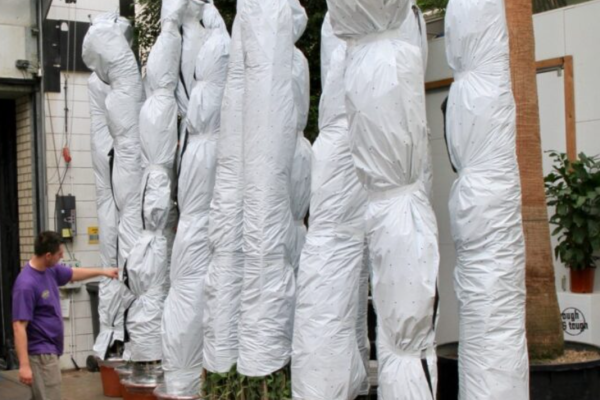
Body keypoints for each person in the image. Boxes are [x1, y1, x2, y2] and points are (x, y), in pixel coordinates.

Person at [12, 231, 119, 400]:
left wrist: (103, 272)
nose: (62, 256)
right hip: (41, 355)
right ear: (48, 255)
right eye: (59, 254)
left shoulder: (50, 270)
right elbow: (19, 327)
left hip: (50, 351)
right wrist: (24, 365)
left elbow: (72, 273)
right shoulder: (26, 284)